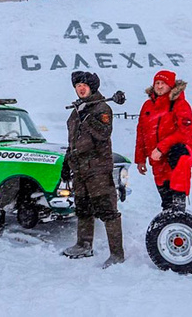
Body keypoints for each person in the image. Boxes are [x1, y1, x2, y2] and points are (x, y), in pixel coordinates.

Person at [62, 71, 125, 269]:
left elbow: (104, 133)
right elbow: (72, 141)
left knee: (107, 209)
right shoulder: (76, 111)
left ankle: (117, 254)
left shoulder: (101, 108)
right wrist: (66, 162)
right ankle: (83, 244)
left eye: (84, 85)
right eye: (78, 85)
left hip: (97, 169)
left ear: (92, 87)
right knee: (83, 208)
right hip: (79, 169)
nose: (81, 88)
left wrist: (88, 118)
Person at [134, 69, 192, 212]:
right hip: (157, 160)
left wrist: (162, 148)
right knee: (166, 200)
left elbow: (185, 133)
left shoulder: (180, 104)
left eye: (163, 83)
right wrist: (140, 159)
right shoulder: (147, 106)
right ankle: (168, 223)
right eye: (157, 83)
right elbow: (141, 132)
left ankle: (179, 211)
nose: (159, 86)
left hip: (176, 156)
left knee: (176, 194)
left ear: (171, 85)